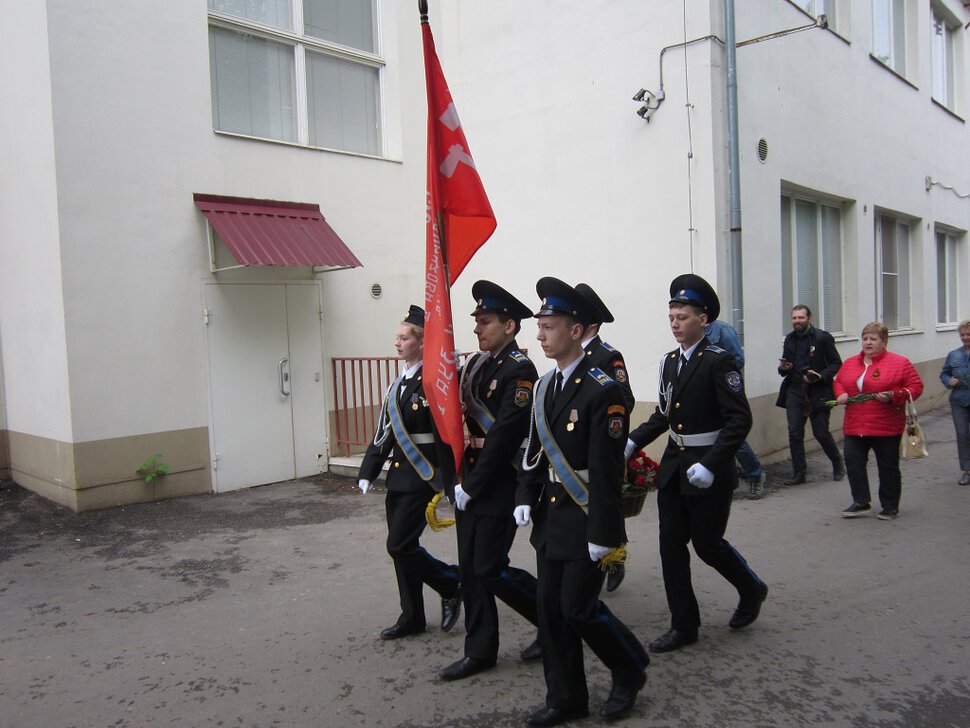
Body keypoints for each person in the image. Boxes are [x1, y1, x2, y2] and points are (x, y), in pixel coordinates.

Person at [515, 277, 648, 726]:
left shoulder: (602, 388)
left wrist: (605, 532)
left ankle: (629, 667)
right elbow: (533, 452)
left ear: (574, 331)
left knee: (577, 608)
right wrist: (523, 496)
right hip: (552, 515)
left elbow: (608, 470)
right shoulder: (544, 386)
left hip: (587, 514)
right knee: (551, 611)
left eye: (548, 326)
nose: (539, 334)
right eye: (539, 326)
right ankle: (566, 698)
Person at [627, 274, 767, 654]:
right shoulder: (670, 362)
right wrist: (631, 441)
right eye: (671, 316)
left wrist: (710, 463)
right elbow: (664, 414)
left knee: (707, 545)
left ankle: (751, 588)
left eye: (683, 317)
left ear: (703, 320)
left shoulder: (720, 363)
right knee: (670, 546)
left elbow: (740, 420)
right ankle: (683, 625)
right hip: (674, 467)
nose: (675, 324)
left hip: (709, 470)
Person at [439, 281, 541, 681]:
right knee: (471, 569)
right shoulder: (478, 365)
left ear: (510, 326)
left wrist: (473, 484)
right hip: (473, 478)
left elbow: (503, 437)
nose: (478, 329)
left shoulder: (520, 369)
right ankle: (479, 651)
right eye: (477, 322)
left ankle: (551, 618)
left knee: (489, 567)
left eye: (486, 322)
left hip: (501, 481)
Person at [357, 305, 462, 640]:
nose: (397, 343)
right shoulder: (397, 384)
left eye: (404, 337)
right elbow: (384, 432)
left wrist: (451, 480)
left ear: (420, 342)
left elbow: (445, 436)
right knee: (404, 548)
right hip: (399, 478)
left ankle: (450, 583)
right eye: (397, 337)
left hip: (423, 476)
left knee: (399, 545)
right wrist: (368, 470)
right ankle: (412, 616)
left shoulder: (432, 381)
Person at [575, 282, 634, 591]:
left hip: (598, 444)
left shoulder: (608, 356)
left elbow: (624, 399)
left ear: (592, 325)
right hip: (572, 448)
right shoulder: (568, 354)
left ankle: (615, 556)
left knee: (604, 498)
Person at [833, 322, 924, 519]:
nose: (868, 343)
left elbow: (916, 387)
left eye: (873, 339)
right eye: (865, 338)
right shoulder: (850, 363)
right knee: (853, 461)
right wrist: (841, 394)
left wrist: (894, 394)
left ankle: (890, 505)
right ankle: (861, 501)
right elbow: (839, 381)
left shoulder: (900, 363)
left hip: (886, 426)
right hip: (855, 425)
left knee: (888, 466)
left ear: (884, 342)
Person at [776, 305, 845, 484]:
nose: (797, 321)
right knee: (795, 432)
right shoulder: (789, 339)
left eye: (801, 317)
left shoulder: (822, 338)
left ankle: (838, 462)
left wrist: (821, 376)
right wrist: (785, 367)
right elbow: (785, 363)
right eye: (794, 318)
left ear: (809, 318)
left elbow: (836, 363)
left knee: (821, 432)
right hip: (795, 390)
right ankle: (799, 473)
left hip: (819, 391)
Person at [705, 319, 767, 499]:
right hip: (704, 393)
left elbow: (738, 359)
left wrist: (715, 374)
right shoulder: (694, 330)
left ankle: (756, 475)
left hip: (724, 391)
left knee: (733, 436)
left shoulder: (723, 330)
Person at [940, 320, 970, 486]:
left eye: (968, 334)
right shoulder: (954, 355)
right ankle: (967, 470)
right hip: (959, 400)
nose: (965, 338)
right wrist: (948, 380)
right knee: (962, 435)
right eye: (962, 335)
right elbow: (944, 374)